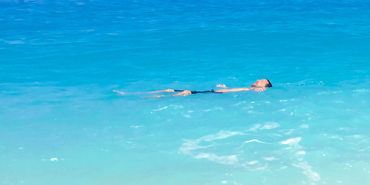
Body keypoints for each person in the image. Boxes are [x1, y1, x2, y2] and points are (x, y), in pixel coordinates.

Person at [116, 79, 272, 96]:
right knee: (169, 89)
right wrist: (226, 86)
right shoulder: (247, 88)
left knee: (185, 92)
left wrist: (261, 89)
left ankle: (149, 97)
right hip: (212, 91)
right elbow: (233, 91)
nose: (257, 80)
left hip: (211, 94)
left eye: (261, 80)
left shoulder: (255, 89)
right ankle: (132, 93)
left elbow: (259, 91)